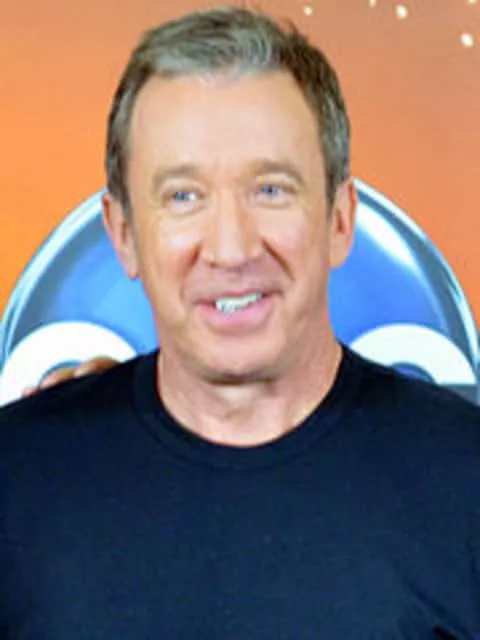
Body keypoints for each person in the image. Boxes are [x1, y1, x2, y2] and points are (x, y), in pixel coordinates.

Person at [1, 6, 480, 638]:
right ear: (123, 234)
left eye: (271, 189)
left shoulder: (466, 477)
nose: (231, 249)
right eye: (183, 196)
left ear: (340, 219)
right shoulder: (17, 479)